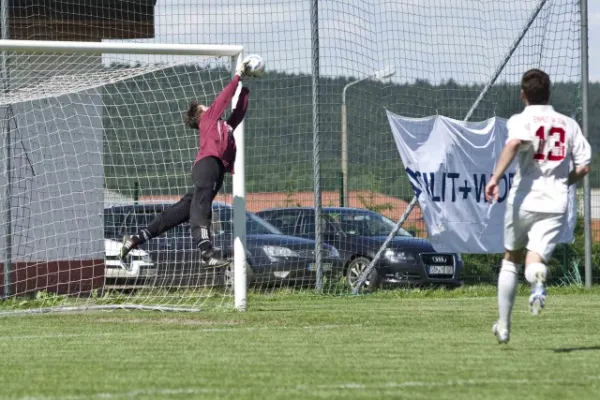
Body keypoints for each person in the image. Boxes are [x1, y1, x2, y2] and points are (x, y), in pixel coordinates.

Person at [484, 68, 591, 344]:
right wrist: (565, 180)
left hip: (524, 199)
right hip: (555, 202)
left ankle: (504, 327)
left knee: (511, 258)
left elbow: (514, 143)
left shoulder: (522, 119)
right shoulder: (568, 124)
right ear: (549, 93)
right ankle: (538, 279)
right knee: (535, 259)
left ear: (523, 94)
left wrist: (495, 178)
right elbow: (584, 166)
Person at [118, 60, 252, 268]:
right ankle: (206, 252)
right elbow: (224, 98)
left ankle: (137, 238)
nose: (208, 107)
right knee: (202, 205)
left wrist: (244, 89)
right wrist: (237, 78)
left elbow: (238, 113)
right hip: (207, 165)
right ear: (200, 114)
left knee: (182, 210)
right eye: (203, 107)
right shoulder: (208, 119)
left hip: (215, 170)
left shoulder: (222, 125)